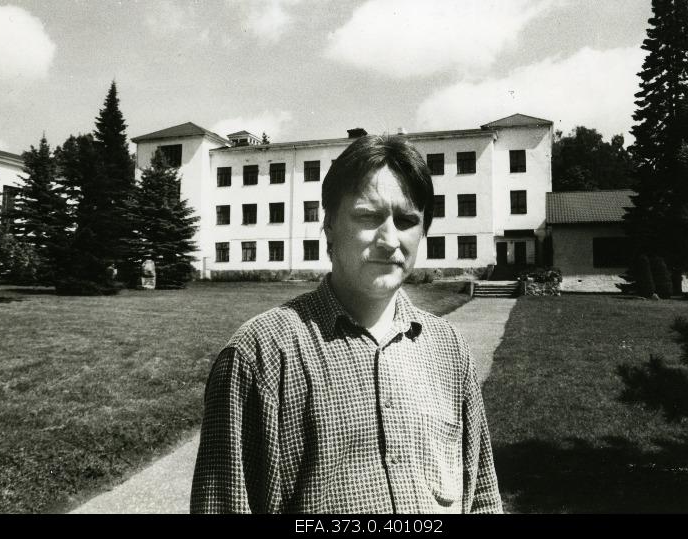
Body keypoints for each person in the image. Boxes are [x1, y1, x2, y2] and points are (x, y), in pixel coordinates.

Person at [190, 134, 503, 514]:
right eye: (368, 216)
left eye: (406, 221)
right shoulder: (258, 357)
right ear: (330, 227)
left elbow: (482, 494)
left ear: (422, 233)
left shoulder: (450, 350)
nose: (390, 240)